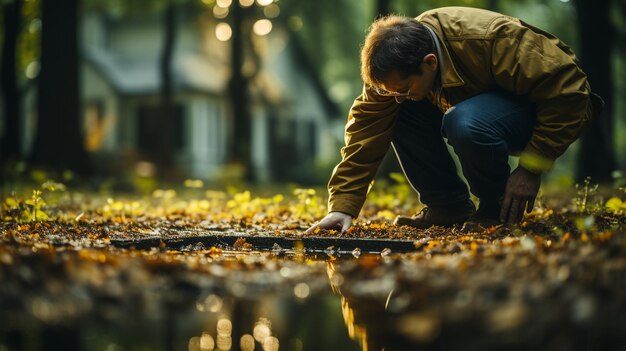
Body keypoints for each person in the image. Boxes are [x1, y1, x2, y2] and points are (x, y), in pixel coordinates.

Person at [306, 7, 602, 233]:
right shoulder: (393, 70)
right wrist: (343, 207)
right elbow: (364, 133)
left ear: (429, 63)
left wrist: (531, 167)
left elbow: (570, 92)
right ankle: (447, 206)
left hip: (544, 111)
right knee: (400, 110)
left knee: (464, 120)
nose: (399, 95)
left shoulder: (490, 38)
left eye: (406, 88)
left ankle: (496, 209)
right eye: (393, 91)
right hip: (478, 112)